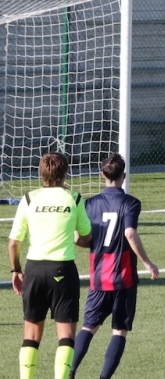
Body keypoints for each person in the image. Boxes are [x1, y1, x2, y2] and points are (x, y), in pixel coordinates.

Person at [70, 153, 159, 379]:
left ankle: (68, 374)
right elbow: (129, 233)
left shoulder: (89, 204)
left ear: (102, 175)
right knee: (119, 331)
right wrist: (148, 263)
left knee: (88, 328)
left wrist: (94, 243)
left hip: (99, 278)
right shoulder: (131, 203)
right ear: (124, 175)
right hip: (124, 278)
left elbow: (78, 239)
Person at [7, 152, 92, 379]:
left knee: (31, 335)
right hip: (63, 270)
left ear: (41, 173)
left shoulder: (28, 199)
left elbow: (14, 243)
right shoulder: (74, 199)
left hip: (34, 270)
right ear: (65, 173)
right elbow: (86, 236)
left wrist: (16, 270)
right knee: (65, 335)